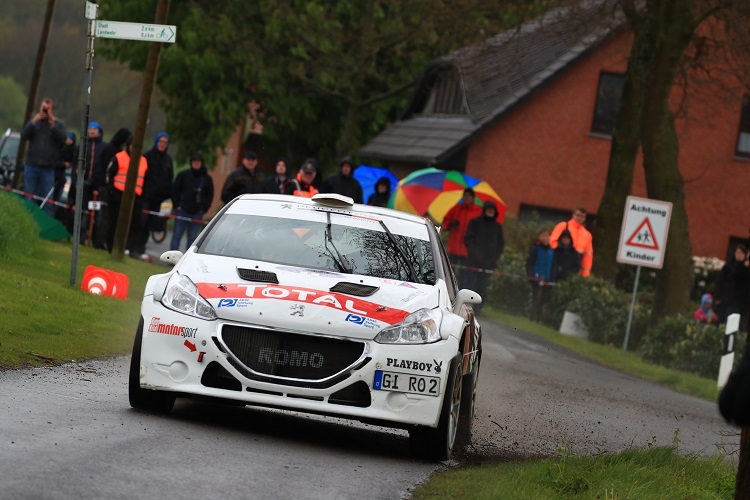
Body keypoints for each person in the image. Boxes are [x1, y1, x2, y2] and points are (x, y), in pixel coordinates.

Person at [20, 98, 67, 216]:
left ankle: (45, 225)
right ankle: (26, 220)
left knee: (47, 200)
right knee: (29, 197)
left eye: (47, 109)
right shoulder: (35, 123)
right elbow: (24, 135)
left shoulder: (58, 124)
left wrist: (53, 125)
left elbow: (63, 140)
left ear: (52, 110)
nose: (45, 111)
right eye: (43, 108)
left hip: (48, 168)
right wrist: (33, 122)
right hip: (32, 164)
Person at [105, 133, 148, 256]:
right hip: (118, 196)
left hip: (136, 198)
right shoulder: (119, 157)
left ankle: (131, 249)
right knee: (114, 223)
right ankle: (111, 247)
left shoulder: (144, 161)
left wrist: (143, 196)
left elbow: (146, 180)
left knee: (136, 224)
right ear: (128, 145)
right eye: (133, 146)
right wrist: (112, 192)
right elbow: (109, 174)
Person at [69, 121, 108, 245]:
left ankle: (94, 239)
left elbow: (105, 167)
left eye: (94, 129)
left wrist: (101, 186)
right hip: (83, 185)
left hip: (97, 187)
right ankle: (79, 236)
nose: (92, 131)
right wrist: (76, 181)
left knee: (96, 214)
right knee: (82, 211)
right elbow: (75, 165)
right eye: (90, 129)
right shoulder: (82, 146)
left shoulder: (104, 147)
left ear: (99, 131)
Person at [463, 200, 505, 314]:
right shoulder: (475, 223)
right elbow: (468, 239)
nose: (490, 211)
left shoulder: (497, 227)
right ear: (485, 210)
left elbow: (500, 245)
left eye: (492, 209)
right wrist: (474, 253)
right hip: (473, 262)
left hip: (488, 264)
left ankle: (478, 309)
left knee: (482, 287)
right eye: (488, 209)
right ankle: (463, 306)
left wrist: (493, 259)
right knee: (468, 284)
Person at [171, 152, 214, 251]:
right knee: (177, 235)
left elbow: (210, 194)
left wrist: (204, 209)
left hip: (197, 213)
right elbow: (175, 190)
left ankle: (187, 260)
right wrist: (176, 205)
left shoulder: (206, 179)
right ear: (191, 162)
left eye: (198, 161)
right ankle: (172, 257)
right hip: (182, 210)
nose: (196, 163)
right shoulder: (183, 175)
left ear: (201, 163)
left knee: (192, 239)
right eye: (194, 161)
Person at [140, 132, 174, 254]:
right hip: (145, 196)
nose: (163, 144)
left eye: (165, 142)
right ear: (156, 142)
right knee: (141, 222)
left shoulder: (168, 160)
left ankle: (142, 248)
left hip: (159, 199)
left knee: (150, 224)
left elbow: (170, 179)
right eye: (161, 142)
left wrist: (168, 197)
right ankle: (133, 246)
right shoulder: (147, 156)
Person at [442, 188, 482, 280]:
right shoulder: (456, 208)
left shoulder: (478, 211)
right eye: (465, 196)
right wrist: (450, 224)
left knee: (465, 276)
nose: (467, 198)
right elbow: (445, 222)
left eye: (469, 196)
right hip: (453, 247)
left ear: (473, 198)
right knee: (449, 274)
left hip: (467, 250)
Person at [550, 207, 593, 277]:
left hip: (575, 265)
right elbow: (552, 242)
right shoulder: (564, 226)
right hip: (561, 260)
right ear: (573, 215)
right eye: (578, 215)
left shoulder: (587, 235)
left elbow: (588, 256)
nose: (580, 218)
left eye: (582, 216)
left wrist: (585, 275)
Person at [715, 244, 749, 331]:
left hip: (743, 302)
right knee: (727, 322)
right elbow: (721, 281)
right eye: (737, 253)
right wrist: (718, 295)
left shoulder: (746, 268)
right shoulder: (729, 266)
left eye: (741, 253)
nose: (739, 255)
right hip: (729, 299)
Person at [526, 227, 554, 321]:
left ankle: (539, 318)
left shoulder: (551, 251)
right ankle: (533, 317)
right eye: (542, 235)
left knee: (543, 300)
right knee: (536, 299)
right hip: (537, 278)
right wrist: (531, 276)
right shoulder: (535, 249)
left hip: (547, 279)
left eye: (547, 235)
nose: (545, 238)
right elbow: (529, 263)